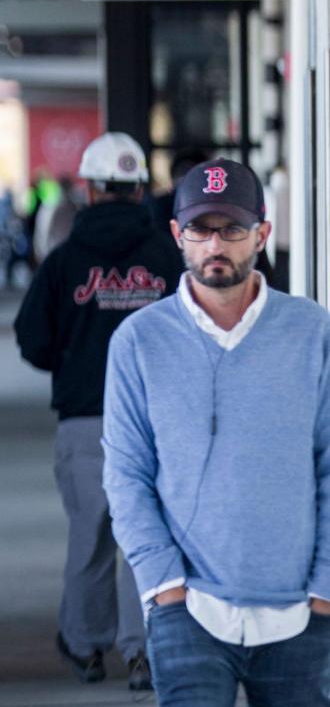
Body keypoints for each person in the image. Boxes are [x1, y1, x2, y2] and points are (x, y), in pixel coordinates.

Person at [104, 157, 330, 707]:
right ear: (178, 234)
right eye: (201, 230)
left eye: (231, 229)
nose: (215, 246)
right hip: (188, 609)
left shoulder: (312, 332)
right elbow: (126, 475)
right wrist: (164, 586)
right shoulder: (139, 341)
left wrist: (325, 586)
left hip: (300, 610)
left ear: (262, 234)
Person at [12, 130, 176, 691]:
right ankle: (144, 652)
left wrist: (73, 358)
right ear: (139, 188)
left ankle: (85, 646)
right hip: (158, 422)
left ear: (89, 186)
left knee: (91, 533)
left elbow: (31, 339)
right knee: (145, 536)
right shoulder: (168, 257)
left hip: (86, 417)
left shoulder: (65, 262)